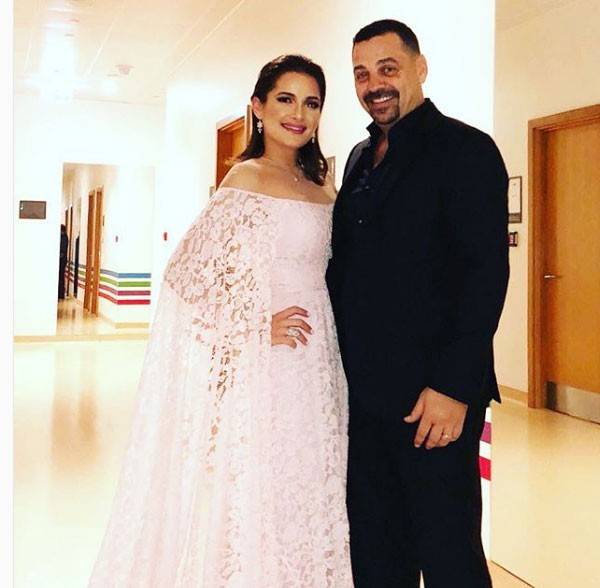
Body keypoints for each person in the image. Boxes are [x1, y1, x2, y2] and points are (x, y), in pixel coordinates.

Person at [88, 55, 353, 587]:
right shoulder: (246, 178)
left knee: (314, 481)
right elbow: (188, 274)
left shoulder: (321, 182)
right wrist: (254, 326)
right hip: (273, 366)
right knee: (270, 487)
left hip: (323, 361)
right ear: (258, 107)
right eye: (285, 99)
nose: (298, 114)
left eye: (311, 103)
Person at [326, 20, 509, 588]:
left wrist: (453, 387)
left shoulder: (466, 149)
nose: (374, 84)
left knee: (449, 553)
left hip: (434, 400)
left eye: (388, 68)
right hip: (364, 396)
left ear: (420, 68)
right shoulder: (358, 157)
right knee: (376, 553)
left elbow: (485, 275)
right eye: (361, 74)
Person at [58, 224, 68, 299]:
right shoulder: (64, 237)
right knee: (61, 277)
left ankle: (61, 294)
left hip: (62, 260)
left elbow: (62, 251)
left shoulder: (64, 238)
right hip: (62, 260)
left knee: (61, 277)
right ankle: (60, 293)